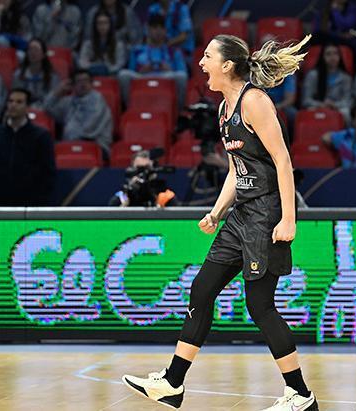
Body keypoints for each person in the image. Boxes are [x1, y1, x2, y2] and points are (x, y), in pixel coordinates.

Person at [121, 34, 319, 411]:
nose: (201, 63)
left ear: (227, 65)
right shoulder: (224, 109)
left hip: (266, 216)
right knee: (202, 290)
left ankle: (300, 395)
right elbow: (235, 169)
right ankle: (172, 383)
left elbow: (283, 161)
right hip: (241, 215)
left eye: (208, 56)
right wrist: (216, 211)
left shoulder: (255, 102)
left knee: (260, 305)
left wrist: (288, 219)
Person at [0, 88, 55, 206]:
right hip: (0, 201)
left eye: (19, 102)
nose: (13, 105)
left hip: (31, 202)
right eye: (10, 101)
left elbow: (47, 172)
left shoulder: (41, 136)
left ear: (27, 107)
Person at [117, 14, 188, 109]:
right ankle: (129, 108)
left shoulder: (174, 51)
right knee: (123, 75)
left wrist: (169, 70)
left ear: (165, 31)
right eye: (154, 28)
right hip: (143, 77)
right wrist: (142, 71)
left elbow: (183, 73)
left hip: (166, 77)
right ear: (148, 30)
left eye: (161, 28)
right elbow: (131, 71)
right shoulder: (137, 51)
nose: (158, 31)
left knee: (181, 76)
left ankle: (178, 111)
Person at [43, 69, 113, 155]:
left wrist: (68, 139)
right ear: (73, 85)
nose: (83, 84)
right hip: (71, 144)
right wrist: (58, 91)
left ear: (91, 84)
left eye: (86, 80)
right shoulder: (69, 102)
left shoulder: (97, 100)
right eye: (79, 81)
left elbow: (90, 127)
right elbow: (47, 107)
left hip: (96, 145)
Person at [301, 42, 352, 120]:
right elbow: (306, 100)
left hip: (337, 108)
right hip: (317, 107)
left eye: (335, 53)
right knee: (309, 111)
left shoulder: (346, 78)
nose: (332, 57)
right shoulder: (312, 75)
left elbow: (348, 101)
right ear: (322, 57)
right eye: (328, 54)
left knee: (346, 112)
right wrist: (321, 105)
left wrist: (334, 105)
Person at [109, 149, 177, 207]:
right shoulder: (122, 198)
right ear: (131, 170)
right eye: (139, 169)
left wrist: (159, 206)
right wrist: (123, 207)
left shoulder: (166, 196)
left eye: (147, 168)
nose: (143, 173)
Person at [12, 38, 60, 108]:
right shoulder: (18, 75)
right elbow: (15, 98)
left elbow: (54, 100)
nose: (33, 52)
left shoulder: (52, 76)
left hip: (46, 109)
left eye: (36, 49)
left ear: (43, 54)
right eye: (30, 49)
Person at [78, 10, 127, 76]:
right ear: (95, 25)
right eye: (99, 23)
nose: (102, 26)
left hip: (112, 76)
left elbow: (120, 63)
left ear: (110, 25)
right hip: (91, 76)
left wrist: (106, 70)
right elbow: (82, 62)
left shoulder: (118, 45)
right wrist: (94, 68)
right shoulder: (87, 44)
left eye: (105, 23)